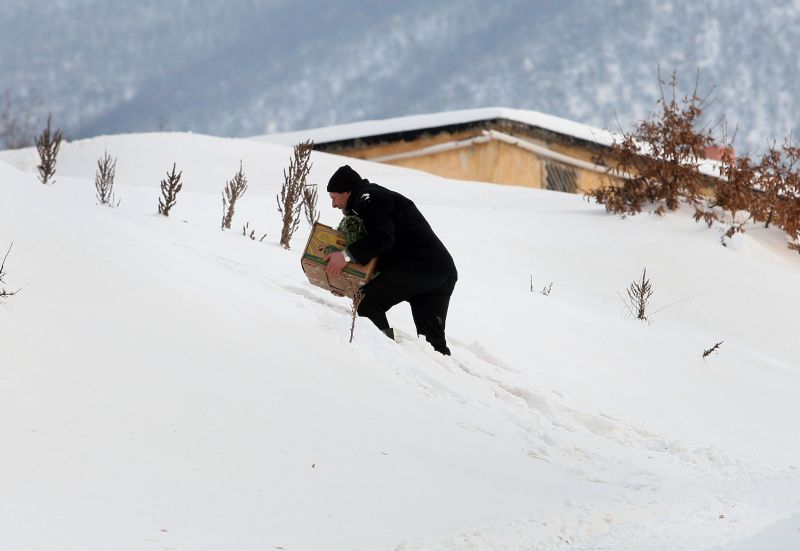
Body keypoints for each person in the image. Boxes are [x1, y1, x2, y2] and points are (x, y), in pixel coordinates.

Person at [324, 165, 458, 355]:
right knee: (433, 346)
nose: (333, 204)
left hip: (421, 267)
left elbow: (382, 239)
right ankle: (443, 376)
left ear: (347, 191)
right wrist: (348, 282)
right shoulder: (372, 198)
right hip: (439, 270)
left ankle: (386, 360)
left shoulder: (368, 198)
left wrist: (345, 256)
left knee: (366, 301)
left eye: (334, 197)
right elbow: (384, 248)